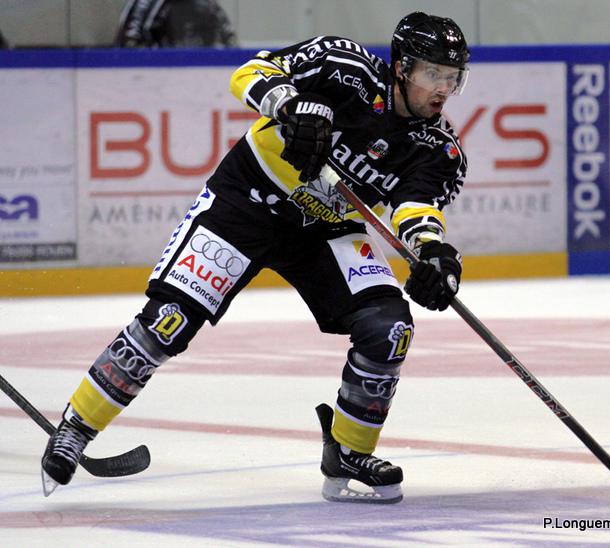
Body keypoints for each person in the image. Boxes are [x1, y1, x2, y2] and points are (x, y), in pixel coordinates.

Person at [41, 12, 469, 504]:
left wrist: (432, 253)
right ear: (402, 67)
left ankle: (348, 453)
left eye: (451, 78)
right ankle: (76, 427)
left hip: (328, 230)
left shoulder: (437, 147)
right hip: (247, 202)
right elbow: (249, 73)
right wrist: (292, 106)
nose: (441, 88)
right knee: (169, 320)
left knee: (388, 328)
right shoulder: (341, 65)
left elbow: (416, 207)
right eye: (431, 73)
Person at [115, 0, 237, 48]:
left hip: (203, 81)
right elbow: (128, 47)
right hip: (155, 83)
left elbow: (228, 43)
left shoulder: (209, 6)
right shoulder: (144, 5)